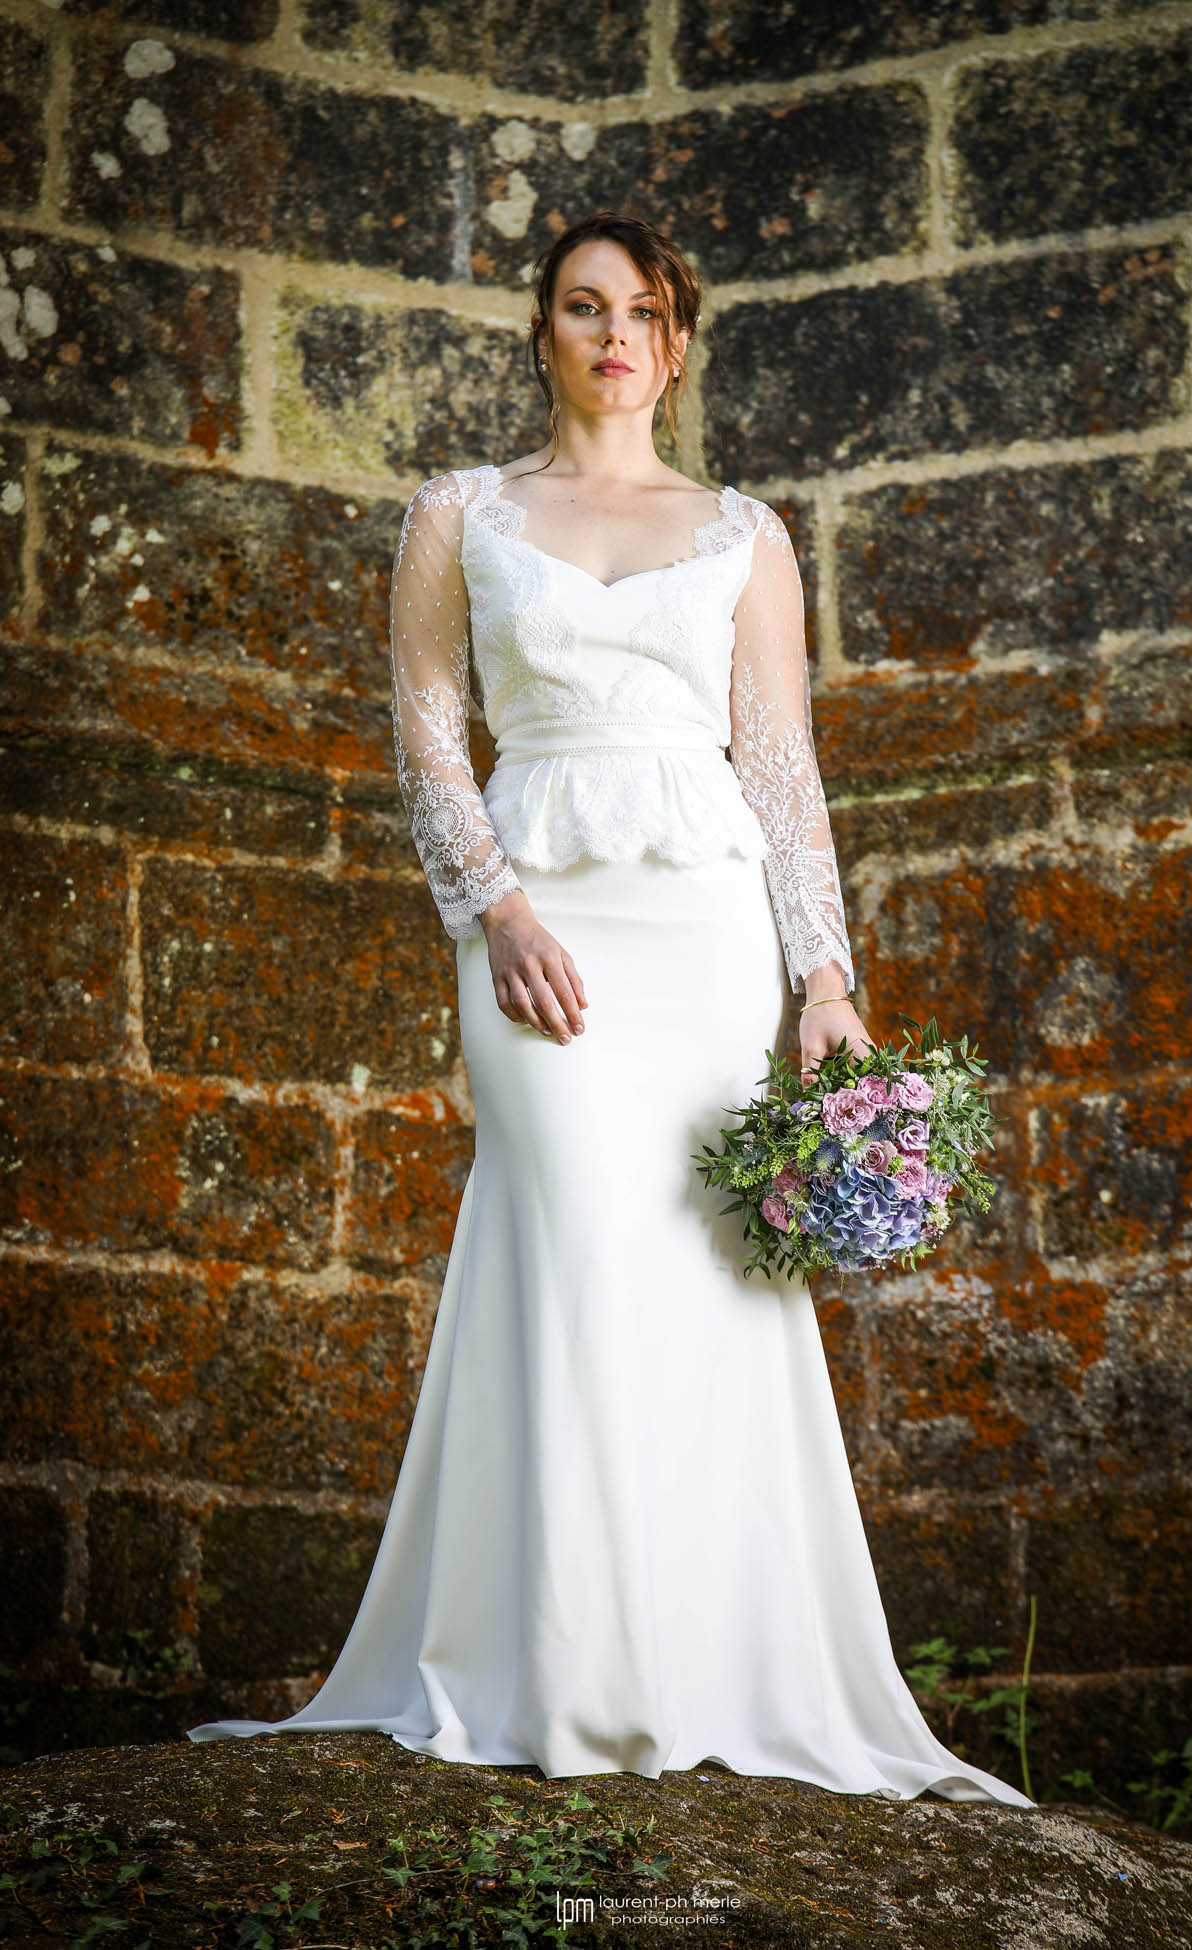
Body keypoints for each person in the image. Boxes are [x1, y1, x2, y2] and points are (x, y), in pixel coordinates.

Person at [187, 209, 1032, 1808]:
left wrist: (825, 983)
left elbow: (782, 766)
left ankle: (704, 1657)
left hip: (704, 924)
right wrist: (494, 907)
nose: (614, 334)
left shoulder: (744, 534)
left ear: (678, 342)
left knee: (704, 1273)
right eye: (585, 307)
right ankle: (568, 1665)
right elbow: (431, 738)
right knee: (567, 1232)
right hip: (540, 916)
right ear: (546, 332)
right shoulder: (460, 515)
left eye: (643, 311)